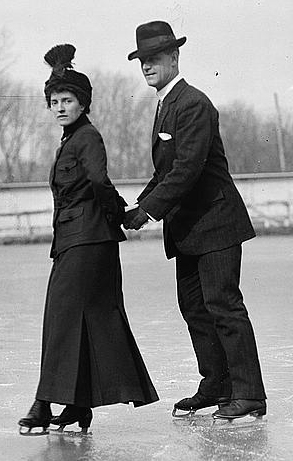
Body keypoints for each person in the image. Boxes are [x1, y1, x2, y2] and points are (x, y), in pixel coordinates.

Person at [124, 21, 266, 419]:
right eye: (142, 61)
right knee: (195, 308)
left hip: (216, 224)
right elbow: (165, 171)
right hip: (188, 229)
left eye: (154, 58)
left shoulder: (193, 104)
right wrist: (135, 207)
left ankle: (250, 393)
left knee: (223, 305)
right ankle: (218, 384)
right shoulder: (165, 104)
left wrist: (148, 210)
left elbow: (187, 170)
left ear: (174, 57)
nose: (147, 67)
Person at [18, 44, 159, 435]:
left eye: (68, 100)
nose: (60, 106)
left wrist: (121, 216)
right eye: (54, 101)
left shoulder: (87, 138)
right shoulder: (70, 138)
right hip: (75, 243)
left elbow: (98, 182)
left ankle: (44, 403)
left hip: (88, 242)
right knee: (74, 320)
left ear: (83, 104)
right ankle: (78, 406)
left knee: (62, 321)